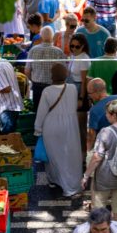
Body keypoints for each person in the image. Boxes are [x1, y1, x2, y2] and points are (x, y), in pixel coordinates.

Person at [35, 63, 83, 197]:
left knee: (54, 155)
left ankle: (53, 180)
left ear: (52, 76)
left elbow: (42, 113)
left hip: (51, 126)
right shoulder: (72, 88)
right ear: (65, 74)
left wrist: (38, 129)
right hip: (70, 126)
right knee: (70, 155)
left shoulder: (47, 91)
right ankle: (71, 185)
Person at [25, 26, 65, 111]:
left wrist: (32, 80)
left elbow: (27, 70)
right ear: (52, 36)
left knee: (38, 112)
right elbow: (63, 73)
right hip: (53, 86)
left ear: (41, 36)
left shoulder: (33, 50)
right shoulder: (58, 52)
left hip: (37, 86)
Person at [86, 78, 117, 155]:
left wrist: (86, 153)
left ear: (96, 92)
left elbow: (91, 138)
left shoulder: (94, 110)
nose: (89, 96)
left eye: (90, 93)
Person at [68, 34, 91, 108]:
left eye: (77, 47)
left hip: (80, 89)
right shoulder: (73, 55)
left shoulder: (84, 59)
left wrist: (81, 98)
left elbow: (84, 81)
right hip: (72, 87)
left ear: (83, 46)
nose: (74, 49)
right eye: (72, 46)